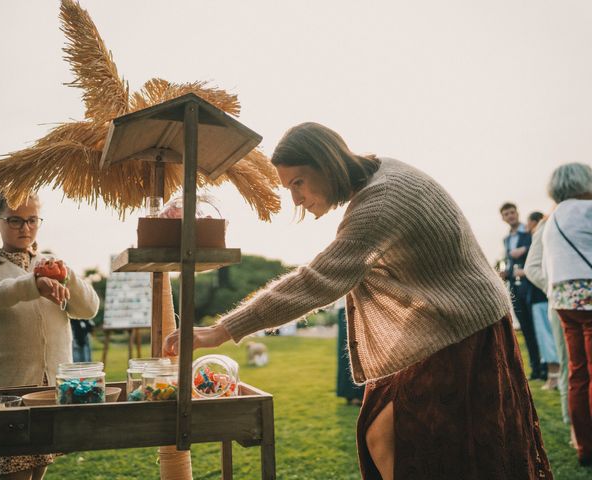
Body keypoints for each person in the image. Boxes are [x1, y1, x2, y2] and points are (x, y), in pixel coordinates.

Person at [164, 123, 552, 479]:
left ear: (326, 164)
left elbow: (317, 281)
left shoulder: (381, 200)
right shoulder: (380, 174)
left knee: (417, 439)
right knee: (389, 433)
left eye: (299, 182)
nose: (296, 199)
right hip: (441, 324)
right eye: (289, 188)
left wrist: (221, 330)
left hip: (464, 325)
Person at [0, 192, 100, 480]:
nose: (26, 228)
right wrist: (31, 284)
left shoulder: (53, 263)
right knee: (14, 473)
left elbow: (90, 308)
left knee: (37, 471)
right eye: (15, 220)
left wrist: (65, 275)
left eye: (32, 220)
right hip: (8, 391)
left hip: (50, 388)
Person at [542, 162, 592, 466]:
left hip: (562, 299)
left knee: (577, 374)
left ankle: (584, 447)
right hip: (589, 293)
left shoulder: (552, 218)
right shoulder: (587, 210)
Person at [524, 216, 570, 423]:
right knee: (569, 363)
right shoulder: (548, 224)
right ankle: (576, 430)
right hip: (556, 300)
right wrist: (556, 289)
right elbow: (531, 267)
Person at [500, 202, 544, 380]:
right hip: (515, 287)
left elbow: (538, 252)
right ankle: (535, 369)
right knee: (525, 328)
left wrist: (524, 250)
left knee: (537, 327)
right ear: (503, 218)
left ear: (517, 213)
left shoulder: (529, 233)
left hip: (531, 286)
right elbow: (509, 263)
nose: (510, 216)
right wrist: (506, 273)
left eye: (512, 212)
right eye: (506, 214)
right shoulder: (506, 240)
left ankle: (547, 367)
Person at [518, 212, 560, 390]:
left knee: (546, 336)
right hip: (544, 294)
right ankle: (554, 376)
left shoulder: (540, 234)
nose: (527, 227)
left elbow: (531, 268)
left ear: (534, 222)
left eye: (529, 223)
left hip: (542, 295)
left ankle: (554, 377)